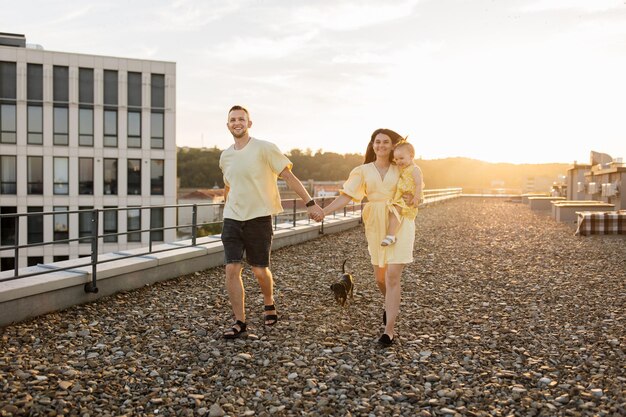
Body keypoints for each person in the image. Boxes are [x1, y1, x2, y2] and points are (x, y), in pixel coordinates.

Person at [219, 105, 324, 339]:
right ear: (228, 125)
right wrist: (226, 211)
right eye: (233, 120)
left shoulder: (265, 148)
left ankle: (269, 302)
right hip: (232, 219)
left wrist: (310, 203)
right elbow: (228, 186)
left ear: (249, 123)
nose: (237, 123)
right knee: (231, 268)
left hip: (259, 218)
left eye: (241, 119)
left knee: (259, 270)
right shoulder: (225, 155)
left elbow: (289, 177)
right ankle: (239, 321)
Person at [322, 128, 418, 346]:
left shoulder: (401, 166)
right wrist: (324, 212)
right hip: (375, 223)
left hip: (399, 221)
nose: (381, 145)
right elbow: (346, 196)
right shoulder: (362, 170)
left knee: (393, 276)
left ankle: (389, 330)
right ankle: (389, 304)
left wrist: (414, 196)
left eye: (386, 142)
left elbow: (414, 184)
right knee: (380, 278)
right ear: (372, 145)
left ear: (393, 146)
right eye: (377, 142)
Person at [381, 140, 424, 246]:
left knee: (395, 210)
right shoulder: (404, 168)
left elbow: (419, 184)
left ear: (411, 156)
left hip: (410, 197)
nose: (398, 161)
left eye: (401, 158)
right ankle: (391, 234)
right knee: (392, 212)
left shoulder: (414, 169)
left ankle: (391, 236)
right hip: (401, 197)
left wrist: (416, 198)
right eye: (396, 159)